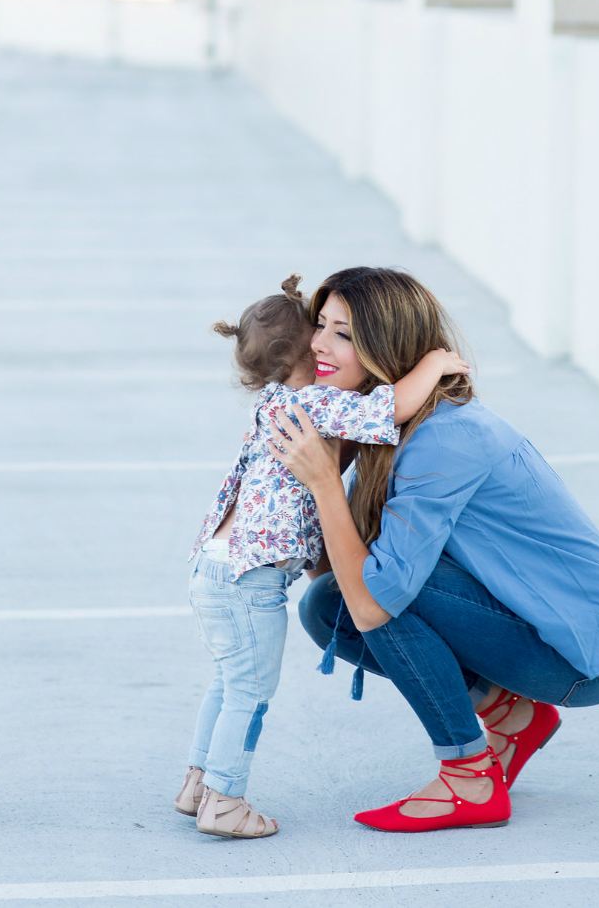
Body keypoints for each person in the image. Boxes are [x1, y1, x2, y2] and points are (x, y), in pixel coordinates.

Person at [269, 266, 599, 833]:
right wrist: (337, 459)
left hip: (581, 656)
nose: (318, 343)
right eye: (320, 325)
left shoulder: (443, 438)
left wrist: (323, 483)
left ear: (386, 346)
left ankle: (469, 777)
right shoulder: (386, 428)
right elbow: (335, 578)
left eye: (342, 333)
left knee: (380, 594)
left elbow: (373, 601)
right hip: (531, 625)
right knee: (327, 605)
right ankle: (509, 713)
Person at [175, 273, 470, 839]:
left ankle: (198, 784)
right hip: (248, 579)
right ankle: (225, 802)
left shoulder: (274, 400)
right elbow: (394, 406)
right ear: (301, 354)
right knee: (250, 694)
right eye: (317, 333)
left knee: (226, 682)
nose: (323, 344)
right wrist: (434, 364)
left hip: (215, 567)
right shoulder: (316, 404)